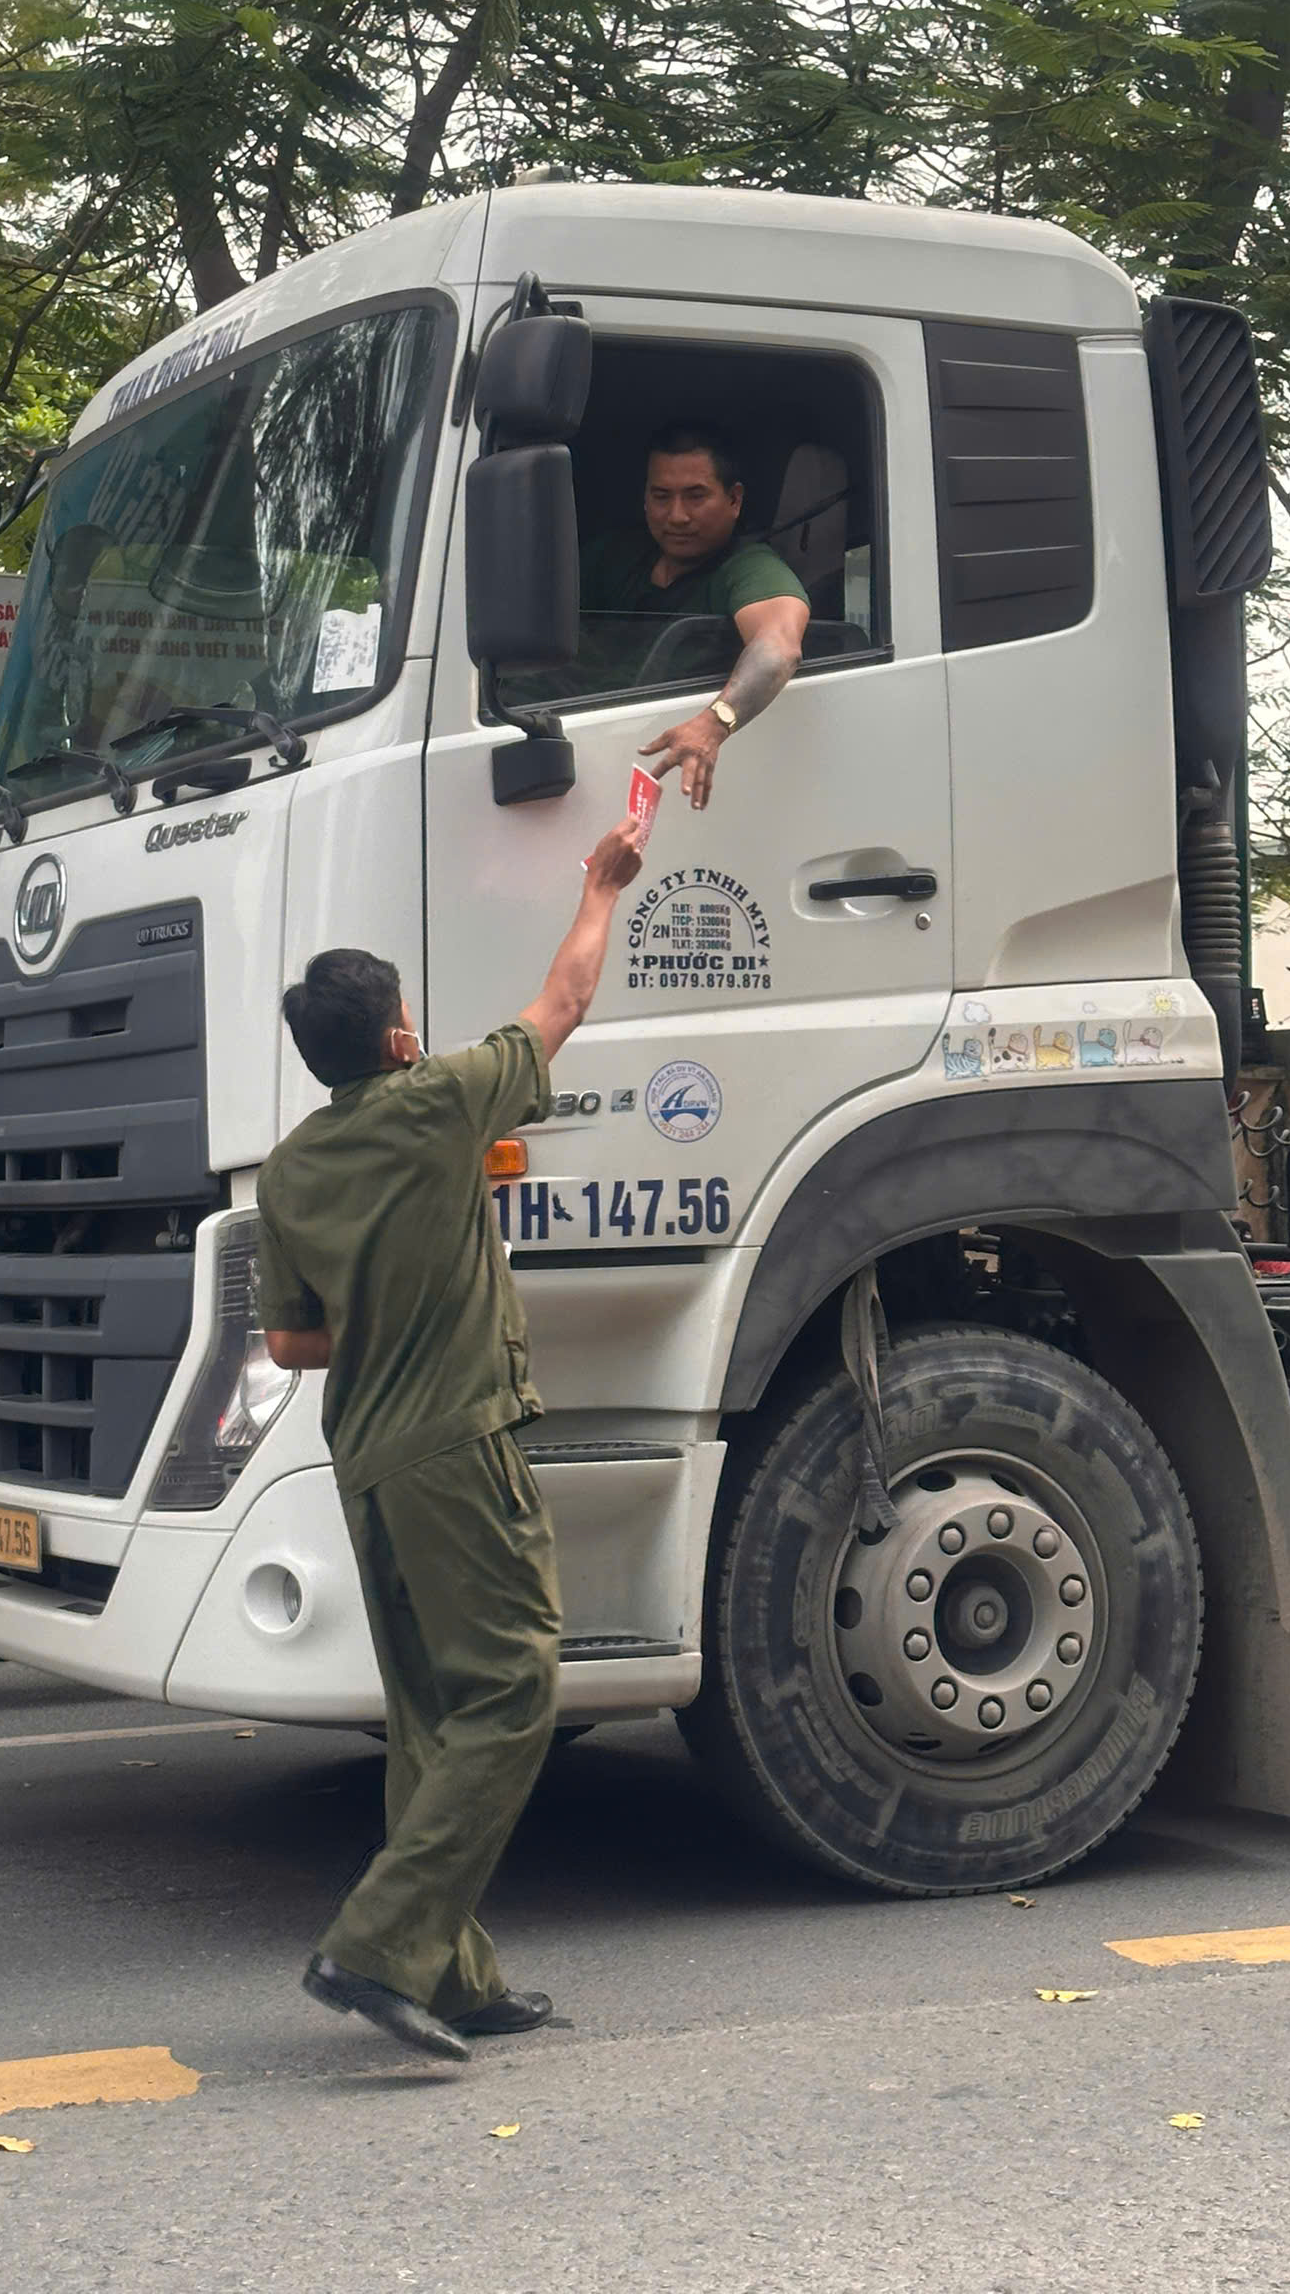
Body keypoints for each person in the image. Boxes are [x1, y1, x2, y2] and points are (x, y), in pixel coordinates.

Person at [256, 815, 649, 2063]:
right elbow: (567, 997)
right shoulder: (439, 1104)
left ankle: (454, 1968)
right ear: (398, 1036)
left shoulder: (289, 1169)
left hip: (365, 1459)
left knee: (431, 1718)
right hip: (459, 1446)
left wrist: (384, 1299)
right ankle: (373, 1946)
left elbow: (291, 1346)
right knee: (516, 1691)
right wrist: (600, 885)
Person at [580, 420, 810, 810]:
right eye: (661, 496)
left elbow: (778, 648)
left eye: (695, 496)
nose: (677, 516)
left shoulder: (749, 568)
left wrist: (711, 725)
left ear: (734, 500)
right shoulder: (613, 556)